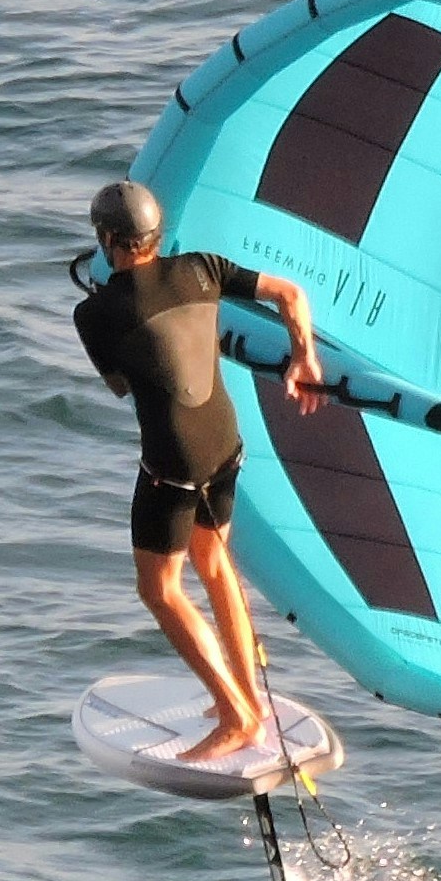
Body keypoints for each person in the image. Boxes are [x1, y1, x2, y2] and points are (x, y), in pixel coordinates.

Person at [72, 178, 326, 765]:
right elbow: (290, 294)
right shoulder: (202, 268)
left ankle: (237, 716)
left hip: (174, 464)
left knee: (159, 588)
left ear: (109, 240)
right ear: (157, 235)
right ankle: (248, 701)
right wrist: (303, 355)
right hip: (226, 446)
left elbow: (121, 386)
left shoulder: (94, 314)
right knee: (214, 564)